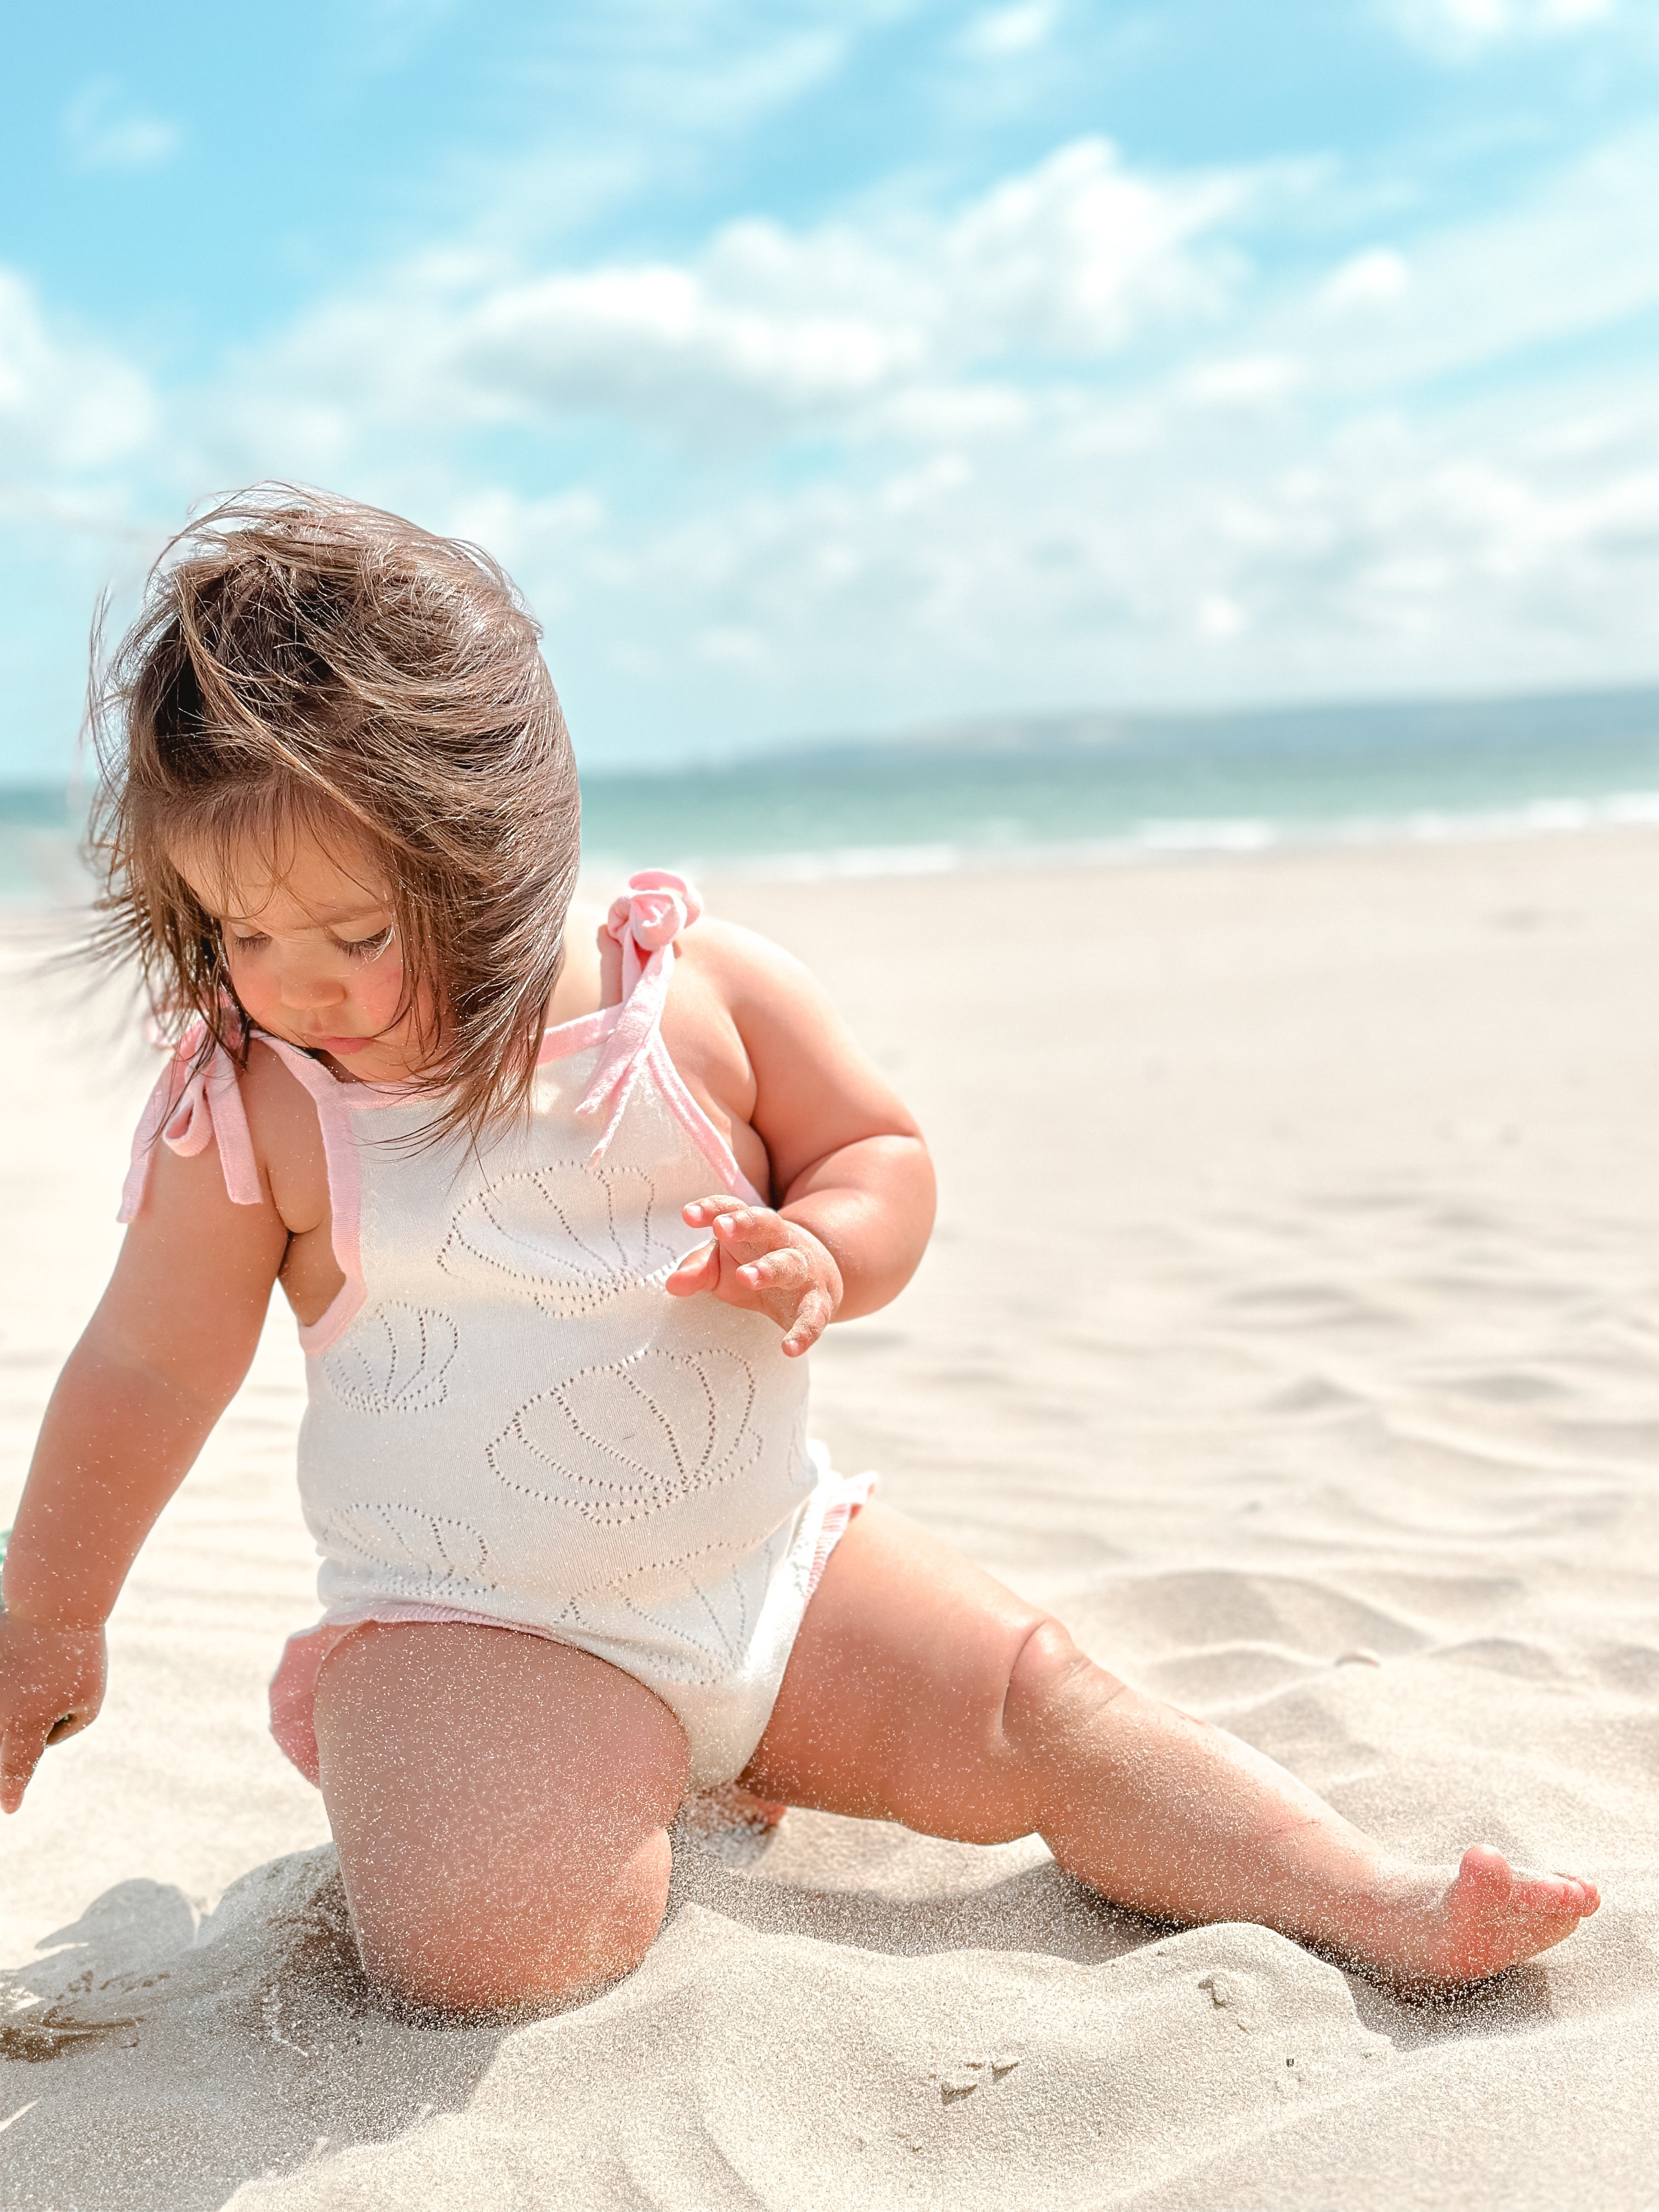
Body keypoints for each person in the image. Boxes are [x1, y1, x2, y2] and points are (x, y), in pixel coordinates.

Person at [0, 490, 1599, 2015]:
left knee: (1048, 1706)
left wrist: (827, 1245)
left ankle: (1360, 1891)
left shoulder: (697, 997)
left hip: (774, 1568)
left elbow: (878, 1155)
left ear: (495, 850)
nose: (303, 988)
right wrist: (49, 1614)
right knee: (489, 1954)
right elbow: (151, 1363)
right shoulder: (264, 1106)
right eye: (242, 933)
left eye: (357, 933)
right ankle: (561, 1774)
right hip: (472, 1619)